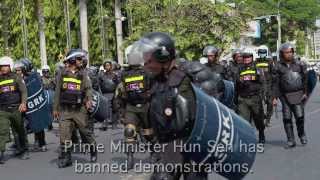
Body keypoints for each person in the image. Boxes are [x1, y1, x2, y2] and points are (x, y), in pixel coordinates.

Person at [138, 32, 208, 180]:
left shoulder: (182, 80)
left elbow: (186, 119)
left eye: (149, 57)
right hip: (166, 145)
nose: (146, 62)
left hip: (189, 145)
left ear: (162, 57)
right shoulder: (157, 80)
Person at [53, 48, 97, 168]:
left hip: (79, 110)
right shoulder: (62, 73)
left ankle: (93, 150)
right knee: (64, 134)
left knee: (85, 132)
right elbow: (57, 92)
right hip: (65, 109)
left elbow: (88, 88)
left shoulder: (83, 74)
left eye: (81, 59)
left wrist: (88, 100)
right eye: (78, 59)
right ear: (72, 60)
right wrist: (55, 108)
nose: (81, 61)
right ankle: (67, 158)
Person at [117, 44, 155, 169]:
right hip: (131, 107)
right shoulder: (124, 74)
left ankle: (155, 154)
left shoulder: (148, 72)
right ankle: (129, 159)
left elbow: (154, 88)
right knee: (129, 131)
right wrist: (121, 111)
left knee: (149, 133)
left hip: (146, 106)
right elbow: (122, 92)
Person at [272, 43, 308, 148]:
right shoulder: (278, 66)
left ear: (293, 52)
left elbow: (305, 80)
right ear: (282, 53)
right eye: (286, 52)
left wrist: (305, 93)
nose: (289, 54)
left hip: (298, 95)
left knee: (300, 117)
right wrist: (274, 97)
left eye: (290, 52)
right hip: (284, 96)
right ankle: (291, 140)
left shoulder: (300, 64)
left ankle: (301, 134)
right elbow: (275, 83)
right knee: (287, 118)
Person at [0, 56, 28, 164]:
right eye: (1, 66)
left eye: (5, 66)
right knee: (2, 131)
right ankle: (1, 153)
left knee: (19, 130)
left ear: (10, 66)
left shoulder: (17, 77)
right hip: (3, 110)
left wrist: (23, 103)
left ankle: (23, 149)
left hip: (16, 109)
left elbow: (24, 91)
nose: (3, 68)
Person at [236, 51, 266, 144]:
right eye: (245, 58)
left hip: (255, 98)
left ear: (252, 58)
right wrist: (239, 82)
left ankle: (261, 134)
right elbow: (236, 82)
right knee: (243, 120)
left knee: (258, 119)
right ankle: (247, 138)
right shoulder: (239, 69)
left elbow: (263, 83)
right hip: (243, 98)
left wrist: (262, 96)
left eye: (248, 58)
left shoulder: (257, 69)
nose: (246, 59)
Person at [98, 60, 119, 130]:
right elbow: (99, 85)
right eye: (106, 65)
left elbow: (118, 84)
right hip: (105, 94)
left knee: (115, 108)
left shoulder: (115, 75)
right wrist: (100, 94)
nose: (107, 67)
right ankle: (105, 123)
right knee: (105, 109)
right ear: (104, 67)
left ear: (111, 66)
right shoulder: (101, 75)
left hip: (114, 93)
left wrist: (117, 93)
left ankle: (114, 124)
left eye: (108, 65)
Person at [256, 48, 274, 127]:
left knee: (270, 103)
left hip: (268, 85)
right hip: (259, 86)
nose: (262, 55)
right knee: (259, 103)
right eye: (260, 53)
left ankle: (268, 120)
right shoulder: (255, 62)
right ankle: (262, 116)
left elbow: (273, 73)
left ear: (266, 54)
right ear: (258, 54)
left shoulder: (269, 61)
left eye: (263, 53)